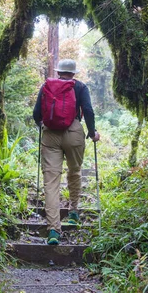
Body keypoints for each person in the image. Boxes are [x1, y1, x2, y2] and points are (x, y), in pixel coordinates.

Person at [33, 59, 101, 245]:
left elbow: (36, 114)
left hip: (50, 136)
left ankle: (53, 230)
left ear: (59, 72)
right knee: (75, 171)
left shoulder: (47, 86)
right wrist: (92, 131)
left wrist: (44, 127)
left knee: (51, 182)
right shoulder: (80, 87)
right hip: (74, 133)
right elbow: (87, 110)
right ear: (73, 73)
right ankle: (73, 212)